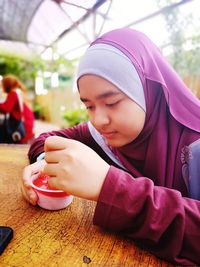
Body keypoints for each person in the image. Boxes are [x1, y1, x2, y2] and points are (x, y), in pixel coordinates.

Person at [21, 28, 200, 265]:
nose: (98, 120)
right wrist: (45, 162)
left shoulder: (194, 147)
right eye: (89, 106)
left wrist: (110, 187)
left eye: (112, 102)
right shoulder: (101, 134)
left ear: (149, 91)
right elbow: (47, 138)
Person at [0, 74, 34, 143]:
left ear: (7, 85)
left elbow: (6, 108)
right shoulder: (18, 92)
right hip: (26, 123)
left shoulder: (13, 93)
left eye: (2, 85)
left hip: (22, 126)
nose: (1, 87)